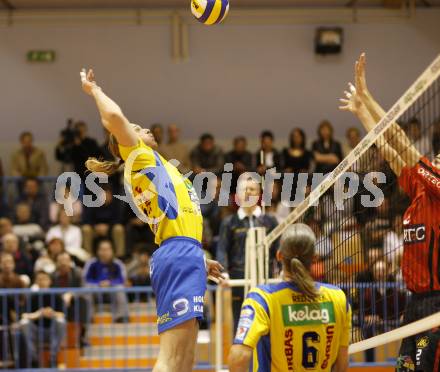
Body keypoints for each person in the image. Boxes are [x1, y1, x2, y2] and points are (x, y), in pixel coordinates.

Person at [80, 68, 223, 372]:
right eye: (137, 128)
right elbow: (115, 118)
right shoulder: (138, 156)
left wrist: (198, 256)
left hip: (186, 253)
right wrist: (94, 90)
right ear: (123, 143)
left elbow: (181, 219)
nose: (144, 129)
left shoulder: (160, 164)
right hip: (177, 254)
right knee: (171, 358)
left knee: (186, 358)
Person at [340, 52, 440, 372]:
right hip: (415, 305)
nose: (435, 159)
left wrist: (368, 97)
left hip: (437, 305)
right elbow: (389, 145)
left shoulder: (439, 189)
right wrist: (362, 110)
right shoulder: (420, 193)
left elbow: (403, 143)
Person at [228, 224, 351, 371]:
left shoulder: (262, 299)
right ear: (315, 257)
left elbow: (238, 358)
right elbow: (341, 365)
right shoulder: (338, 298)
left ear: (279, 255)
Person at [216, 176, 278, 331]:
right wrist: (224, 274)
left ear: (258, 195)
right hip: (239, 280)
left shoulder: (269, 221)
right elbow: (222, 249)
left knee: (266, 323)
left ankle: (265, 356)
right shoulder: (229, 222)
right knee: (240, 324)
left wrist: (283, 270)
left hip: (265, 278)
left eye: (252, 189)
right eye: (245, 189)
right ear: (237, 195)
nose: (248, 192)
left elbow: (279, 249)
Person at [20, 271, 66, 368]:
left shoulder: (56, 296)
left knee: (61, 322)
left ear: (50, 281)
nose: (42, 282)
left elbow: (62, 314)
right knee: (24, 323)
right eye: (39, 279)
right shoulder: (31, 296)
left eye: (45, 279)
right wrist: (38, 314)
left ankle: (53, 358)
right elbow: (24, 315)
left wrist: (52, 313)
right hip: (36, 331)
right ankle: (34, 360)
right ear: (36, 282)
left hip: (52, 331)